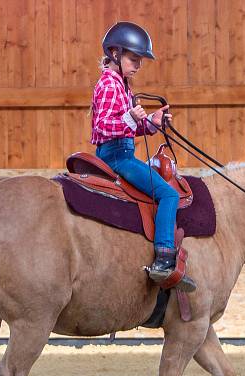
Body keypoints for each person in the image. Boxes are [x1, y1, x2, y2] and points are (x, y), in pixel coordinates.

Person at [91, 21, 195, 291]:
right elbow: (102, 126)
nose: (138, 65)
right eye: (133, 59)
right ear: (115, 53)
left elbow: (129, 127)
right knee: (169, 194)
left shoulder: (122, 85)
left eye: (140, 60)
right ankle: (163, 256)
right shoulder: (109, 85)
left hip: (123, 150)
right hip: (116, 157)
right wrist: (130, 117)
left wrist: (151, 122)